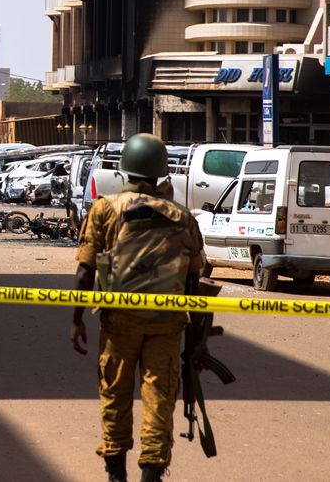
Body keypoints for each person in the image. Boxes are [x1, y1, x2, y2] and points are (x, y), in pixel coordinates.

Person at [70, 133, 204, 482]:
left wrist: (77, 319)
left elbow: (85, 270)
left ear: (124, 169)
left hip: (119, 321)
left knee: (115, 393)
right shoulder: (183, 215)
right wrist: (190, 324)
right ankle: (151, 475)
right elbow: (195, 277)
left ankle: (116, 474)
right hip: (167, 322)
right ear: (161, 173)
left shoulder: (104, 209)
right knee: (159, 397)